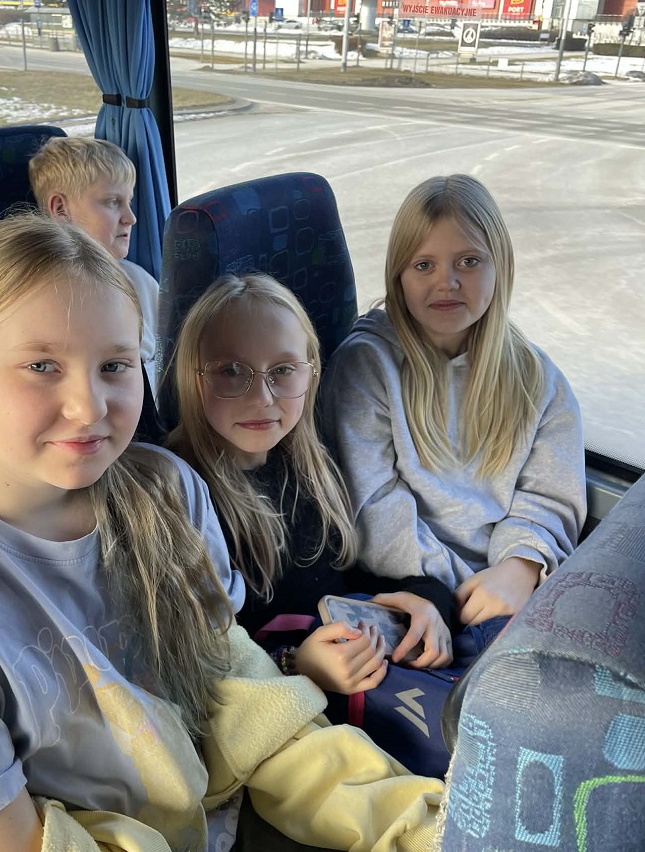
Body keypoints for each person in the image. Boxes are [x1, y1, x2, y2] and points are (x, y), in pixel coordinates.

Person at [0, 212, 442, 852]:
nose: (89, 407)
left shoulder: (166, 493)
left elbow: (236, 695)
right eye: (41, 366)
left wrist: (429, 838)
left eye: (114, 365)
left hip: (193, 834)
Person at [165, 274, 457, 704]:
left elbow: (346, 577)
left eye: (283, 370)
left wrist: (425, 599)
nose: (263, 397)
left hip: (358, 664)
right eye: (231, 371)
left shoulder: (310, 467)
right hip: (282, 701)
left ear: (311, 372)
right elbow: (205, 664)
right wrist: (296, 665)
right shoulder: (183, 499)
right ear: (192, 379)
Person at [321, 174, 586, 636]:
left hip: (509, 584)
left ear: (500, 266)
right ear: (398, 276)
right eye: (423, 265)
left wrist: (521, 566)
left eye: (469, 261)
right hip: (408, 585)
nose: (446, 282)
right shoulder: (365, 368)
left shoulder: (535, 378)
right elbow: (374, 514)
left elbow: (548, 497)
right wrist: (470, 592)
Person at [29, 135, 160, 392]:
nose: (130, 218)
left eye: (129, 202)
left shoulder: (141, 282)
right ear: (61, 209)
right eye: (113, 202)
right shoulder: (39, 297)